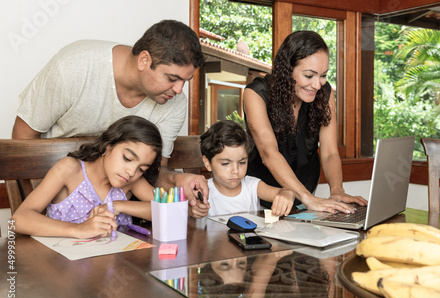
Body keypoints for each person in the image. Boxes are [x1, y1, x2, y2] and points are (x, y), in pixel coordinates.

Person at [11, 19, 209, 207]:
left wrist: (176, 178)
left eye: (185, 81)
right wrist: (43, 206)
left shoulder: (175, 104)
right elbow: (23, 139)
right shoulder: (74, 67)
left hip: (117, 212)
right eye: (172, 78)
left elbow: (154, 172)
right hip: (57, 197)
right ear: (144, 60)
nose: (178, 90)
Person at [243, 30, 367, 214]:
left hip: (307, 193)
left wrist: (337, 191)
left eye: (323, 75)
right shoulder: (256, 94)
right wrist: (309, 199)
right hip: (264, 197)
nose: (317, 85)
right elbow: (269, 153)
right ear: (287, 71)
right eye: (309, 76)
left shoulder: (324, 92)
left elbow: (330, 153)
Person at [12, 116, 162, 239]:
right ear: (108, 146)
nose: (131, 172)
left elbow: (168, 210)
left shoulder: (130, 180)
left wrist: (117, 206)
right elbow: (19, 219)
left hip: (113, 266)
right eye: (127, 158)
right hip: (62, 267)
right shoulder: (69, 169)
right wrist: (79, 229)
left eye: (142, 169)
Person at [190, 120, 295, 219]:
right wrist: (191, 211)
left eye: (242, 162)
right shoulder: (202, 190)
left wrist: (286, 195)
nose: (235, 170)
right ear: (208, 163)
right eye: (226, 163)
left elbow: (286, 191)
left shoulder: (252, 186)